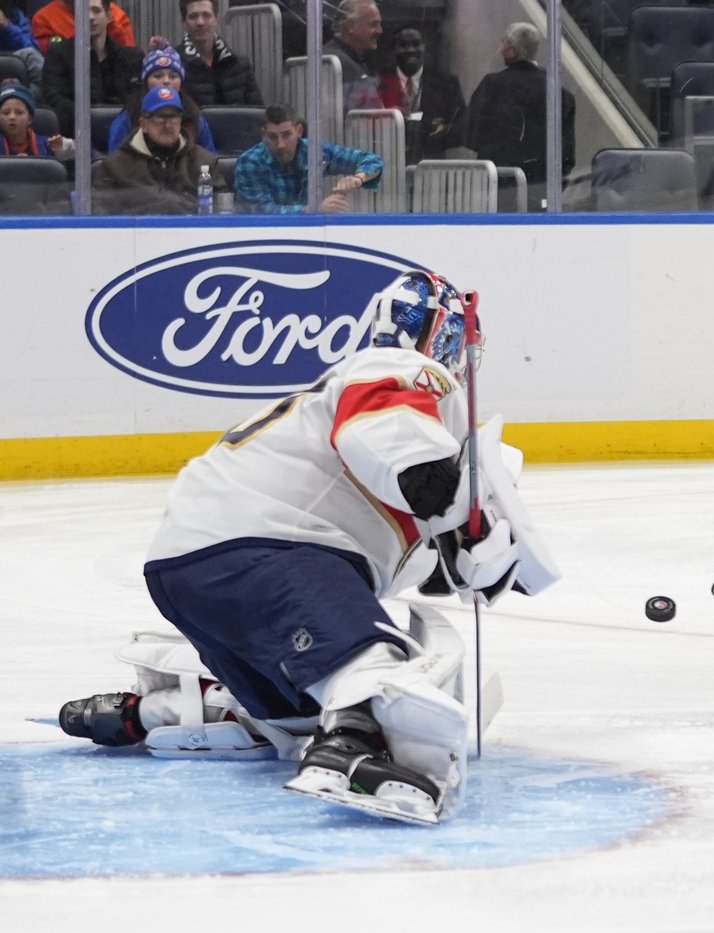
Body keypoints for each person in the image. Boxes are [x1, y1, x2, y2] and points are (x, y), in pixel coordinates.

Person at [56, 271, 559, 824]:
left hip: (190, 566)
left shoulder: (346, 394)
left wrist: (464, 546)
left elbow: (426, 531)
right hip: (270, 548)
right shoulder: (398, 367)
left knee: (294, 713)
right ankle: (349, 750)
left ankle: (161, 709)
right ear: (445, 337)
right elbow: (394, 442)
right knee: (367, 665)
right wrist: (452, 508)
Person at [464, 21, 576, 210]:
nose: (500, 49)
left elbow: (470, 134)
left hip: (497, 187)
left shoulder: (492, 86)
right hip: (541, 188)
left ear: (512, 51)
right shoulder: (561, 93)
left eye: (503, 44)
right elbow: (566, 155)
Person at [92, 85, 224, 214]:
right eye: (160, 118)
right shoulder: (115, 167)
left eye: (174, 117)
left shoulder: (205, 162)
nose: (168, 125)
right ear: (144, 124)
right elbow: (98, 214)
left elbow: (222, 211)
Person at [233, 103, 382, 213]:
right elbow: (263, 212)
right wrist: (314, 210)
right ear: (264, 135)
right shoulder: (250, 162)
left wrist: (358, 179)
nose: (280, 144)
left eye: (286, 135)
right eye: (273, 137)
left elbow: (373, 160)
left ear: (299, 131)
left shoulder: (314, 151)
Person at [39, 0, 142, 137]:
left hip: (125, 137)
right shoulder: (58, 54)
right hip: (75, 135)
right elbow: (53, 98)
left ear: (109, 16)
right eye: (84, 11)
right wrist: (90, 120)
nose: (90, 17)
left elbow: (138, 98)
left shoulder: (132, 57)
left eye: (96, 11)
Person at [379, 25, 467, 164]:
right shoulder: (378, 80)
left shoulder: (446, 82)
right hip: (388, 162)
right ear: (394, 49)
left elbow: (463, 127)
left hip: (431, 166)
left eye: (416, 44)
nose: (411, 50)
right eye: (403, 45)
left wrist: (441, 132)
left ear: (425, 47)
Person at [107, 46, 215, 154]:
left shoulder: (195, 118)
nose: (166, 81)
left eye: (173, 76)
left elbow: (208, 160)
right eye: (158, 76)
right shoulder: (128, 118)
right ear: (146, 81)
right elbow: (116, 159)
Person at [175, 0, 263, 107]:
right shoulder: (173, 66)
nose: (200, 22)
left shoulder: (240, 65)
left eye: (206, 15)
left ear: (217, 20)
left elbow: (258, 112)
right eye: (193, 17)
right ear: (183, 23)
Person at [324, 0, 382, 111]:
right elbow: (368, 116)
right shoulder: (341, 64)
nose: (380, 30)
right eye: (373, 24)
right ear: (351, 26)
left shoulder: (326, 56)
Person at [31, 0, 133, 54]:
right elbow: (53, 59)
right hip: (69, 78)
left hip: (114, 75)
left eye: (96, 11)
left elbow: (129, 55)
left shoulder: (117, 15)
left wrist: (109, 23)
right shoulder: (44, 19)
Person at [0, 80, 71, 156]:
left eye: (19, 112)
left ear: (30, 119)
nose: (12, 117)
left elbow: (79, 148)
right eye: (6, 113)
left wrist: (65, 147)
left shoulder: (48, 145)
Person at [0, 4, 45, 87]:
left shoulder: (14, 14)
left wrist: (7, 27)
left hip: (12, 56)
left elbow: (30, 45)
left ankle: (43, 91)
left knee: (31, 55)